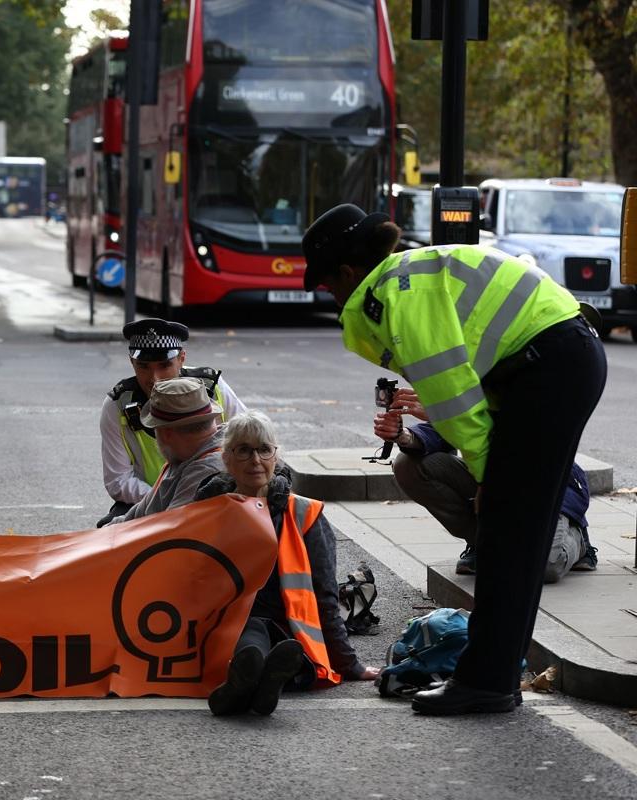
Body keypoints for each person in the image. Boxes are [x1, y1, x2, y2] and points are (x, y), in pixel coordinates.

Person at [302, 203, 606, 716]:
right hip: (558, 359)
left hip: (548, 367)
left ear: (349, 274)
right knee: (519, 537)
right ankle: (493, 674)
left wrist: (488, 475)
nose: (330, 298)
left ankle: (487, 682)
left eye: (329, 286)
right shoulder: (410, 275)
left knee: (510, 534)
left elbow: (455, 399)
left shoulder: (398, 296)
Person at [197, 412, 379, 716]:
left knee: (274, 641)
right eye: (244, 450)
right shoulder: (207, 511)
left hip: (289, 629)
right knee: (252, 630)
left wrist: (350, 664)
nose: (255, 459)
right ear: (227, 459)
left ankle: (245, 686)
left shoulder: (304, 513)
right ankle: (266, 682)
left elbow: (325, 595)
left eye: (263, 449)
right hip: (224, 627)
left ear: (275, 456)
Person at [373, 387, 597, 581]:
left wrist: (447, 416)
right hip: (493, 479)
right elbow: (443, 433)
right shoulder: (464, 368)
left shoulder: (527, 370)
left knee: (546, 567)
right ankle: (485, 544)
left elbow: (528, 436)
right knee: (408, 465)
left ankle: (578, 540)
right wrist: (402, 435)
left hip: (543, 484)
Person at [99, 318, 246, 524]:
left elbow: (250, 436)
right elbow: (118, 481)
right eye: (143, 366)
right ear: (131, 362)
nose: (155, 378)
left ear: (182, 358)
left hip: (217, 495)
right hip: (146, 498)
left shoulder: (212, 386)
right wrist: (162, 498)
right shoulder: (118, 404)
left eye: (165, 365)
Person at [103, 376, 227, 526]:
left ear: (165, 433)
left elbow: (167, 530)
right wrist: (104, 532)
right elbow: (139, 514)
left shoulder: (206, 470)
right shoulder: (184, 459)